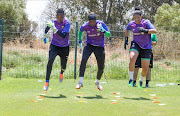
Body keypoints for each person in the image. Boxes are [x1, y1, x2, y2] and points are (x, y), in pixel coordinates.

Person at [76, 12, 111, 91]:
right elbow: (80, 31)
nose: (92, 23)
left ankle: (97, 81)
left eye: (93, 22)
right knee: (84, 59)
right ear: (88, 21)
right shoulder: (85, 25)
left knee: (101, 66)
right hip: (89, 45)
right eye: (90, 22)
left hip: (99, 46)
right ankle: (80, 82)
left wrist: (103, 30)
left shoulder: (101, 24)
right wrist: (80, 41)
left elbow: (109, 34)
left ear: (96, 20)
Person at [125, 8, 157, 89]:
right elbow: (127, 29)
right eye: (135, 18)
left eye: (138, 18)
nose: (136, 19)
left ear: (141, 17)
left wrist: (145, 30)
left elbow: (154, 31)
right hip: (136, 44)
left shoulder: (146, 22)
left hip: (146, 46)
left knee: (145, 68)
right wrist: (126, 39)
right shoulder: (131, 24)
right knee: (132, 57)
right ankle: (131, 79)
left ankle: (141, 80)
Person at [43, 8, 71, 91]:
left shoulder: (67, 23)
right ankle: (46, 83)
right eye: (58, 17)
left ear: (64, 16)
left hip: (64, 47)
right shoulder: (53, 22)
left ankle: (61, 73)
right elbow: (47, 28)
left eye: (61, 17)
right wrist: (44, 35)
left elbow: (63, 35)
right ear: (56, 16)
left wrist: (55, 29)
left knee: (64, 66)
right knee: (50, 61)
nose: (59, 19)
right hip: (54, 45)